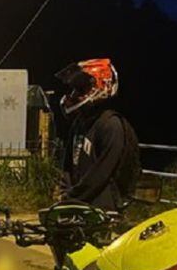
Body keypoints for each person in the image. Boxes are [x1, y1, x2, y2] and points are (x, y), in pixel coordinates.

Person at [54, 58, 141, 211]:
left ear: (101, 86)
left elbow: (101, 174)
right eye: (74, 89)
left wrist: (72, 197)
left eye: (81, 89)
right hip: (76, 205)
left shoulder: (111, 125)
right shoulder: (79, 123)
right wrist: (64, 192)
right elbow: (68, 165)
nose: (74, 95)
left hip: (101, 210)